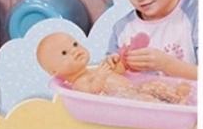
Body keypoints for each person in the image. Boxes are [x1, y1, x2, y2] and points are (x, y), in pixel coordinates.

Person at [37, 32, 191, 104]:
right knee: (147, 100)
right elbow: (92, 92)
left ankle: (177, 94)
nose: (74, 50)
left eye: (75, 44)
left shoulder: (94, 69)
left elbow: (119, 71)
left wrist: (117, 61)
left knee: (154, 85)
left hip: (134, 89)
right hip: (127, 98)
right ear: (54, 71)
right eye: (64, 53)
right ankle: (170, 108)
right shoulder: (79, 83)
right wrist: (101, 77)